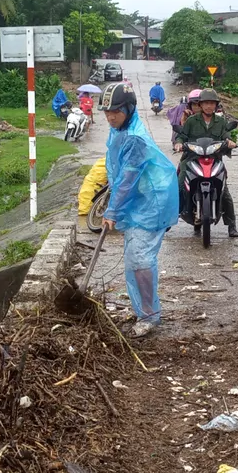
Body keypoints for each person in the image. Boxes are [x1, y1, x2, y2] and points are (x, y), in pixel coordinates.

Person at [99, 82, 179, 337]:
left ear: (129, 109)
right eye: (107, 112)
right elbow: (119, 172)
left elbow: (128, 179)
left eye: (116, 111)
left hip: (150, 204)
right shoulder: (122, 129)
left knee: (140, 258)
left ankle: (150, 315)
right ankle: (143, 308)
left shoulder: (134, 137)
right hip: (138, 200)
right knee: (135, 258)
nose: (110, 117)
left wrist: (112, 212)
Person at [173, 88, 238, 238]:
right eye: (206, 103)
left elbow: (226, 135)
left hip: (214, 160)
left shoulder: (221, 121)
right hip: (191, 159)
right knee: (179, 186)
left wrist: (230, 142)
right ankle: (169, 221)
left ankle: (232, 225)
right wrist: (178, 143)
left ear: (216, 105)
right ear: (200, 105)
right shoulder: (191, 121)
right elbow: (181, 136)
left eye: (212, 103)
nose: (209, 106)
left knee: (224, 191)